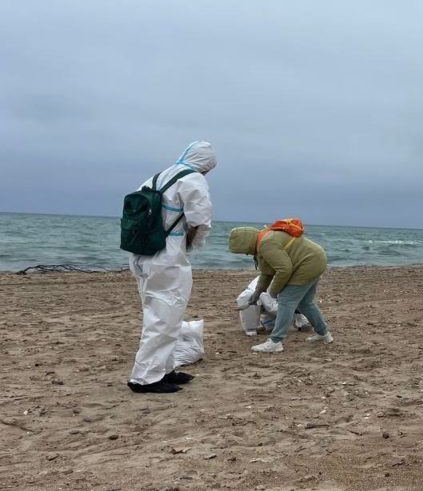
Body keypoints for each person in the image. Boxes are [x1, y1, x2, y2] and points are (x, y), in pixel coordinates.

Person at [127, 141, 216, 394]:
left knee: (160, 314)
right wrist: (190, 246)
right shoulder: (193, 179)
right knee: (164, 318)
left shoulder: (156, 177)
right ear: (206, 164)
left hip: (142, 254)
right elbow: (201, 220)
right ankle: (145, 378)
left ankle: (164, 369)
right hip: (167, 257)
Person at [228, 224, 333, 353]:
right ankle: (324, 334)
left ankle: (275, 341)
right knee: (305, 303)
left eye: (244, 251)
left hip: (307, 263)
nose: (246, 254)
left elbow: (284, 269)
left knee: (286, 301)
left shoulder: (266, 244)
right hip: (317, 259)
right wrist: (258, 292)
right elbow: (267, 272)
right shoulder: (265, 238)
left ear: (246, 243)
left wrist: (274, 292)